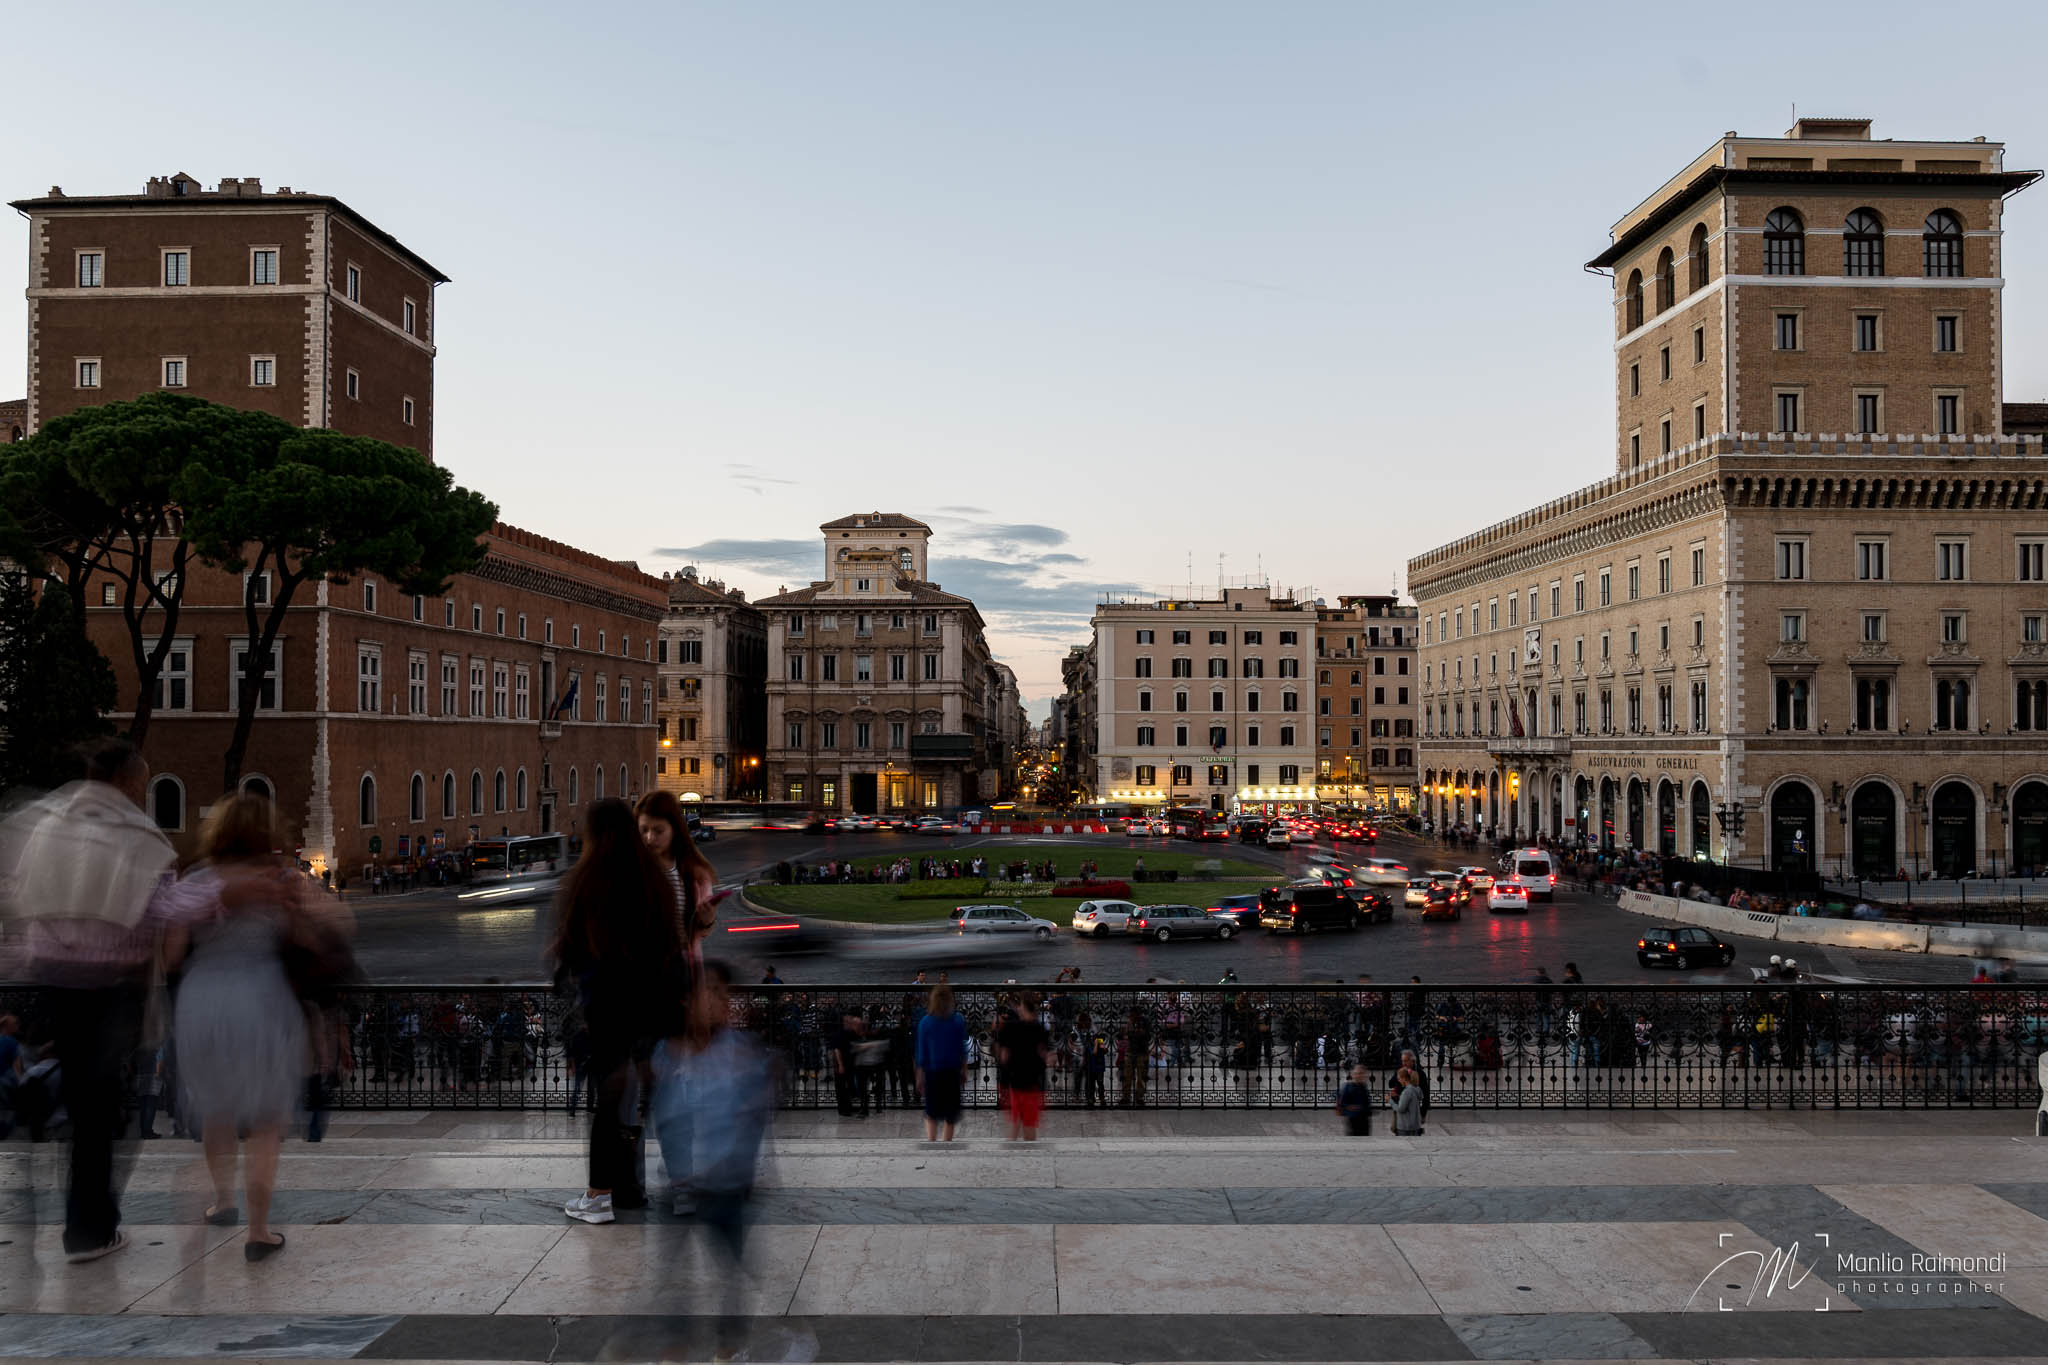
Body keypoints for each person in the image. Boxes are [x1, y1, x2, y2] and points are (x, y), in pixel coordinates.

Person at [0, 739, 179, 1263]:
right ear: (127, 782)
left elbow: (18, 891)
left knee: (87, 1106)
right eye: (142, 785)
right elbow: (157, 911)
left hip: (53, 982)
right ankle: (89, 1229)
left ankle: (88, 1220)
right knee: (102, 1112)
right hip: (111, 988)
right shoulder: (136, 834)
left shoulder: (48, 820)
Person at [163, 793, 347, 1261]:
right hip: (260, 996)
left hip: (202, 999)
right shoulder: (282, 881)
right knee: (267, 1122)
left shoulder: (197, 881)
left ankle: (223, 1202)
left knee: (217, 1111)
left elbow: (170, 956)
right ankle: (259, 1231)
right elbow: (327, 931)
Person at [550, 798, 690, 1225]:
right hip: (653, 1008)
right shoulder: (656, 882)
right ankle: (676, 1189)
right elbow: (673, 950)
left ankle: (600, 1195)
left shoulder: (588, 882)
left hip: (608, 1010)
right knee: (660, 1100)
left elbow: (571, 954)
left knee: (611, 1105)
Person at [649, 960, 775, 1364]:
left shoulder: (741, 1052)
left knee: (731, 1277)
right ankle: (676, 1350)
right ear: (687, 1000)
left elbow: (753, 1117)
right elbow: (665, 1121)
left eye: (726, 993)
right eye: (712, 992)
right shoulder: (668, 1054)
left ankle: (728, 1349)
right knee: (675, 1283)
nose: (722, 1001)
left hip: (726, 1186)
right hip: (682, 1188)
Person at [637, 791, 719, 962]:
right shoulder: (629, 870)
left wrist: (708, 920)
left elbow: (700, 932)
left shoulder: (695, 874)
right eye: (644, 830)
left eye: (658, 831)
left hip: (682, 973)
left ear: (675, 829)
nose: (650, 838)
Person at [914, 983, 969, 1140]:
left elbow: (921, 1053)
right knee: (950, 1116)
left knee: (931, 1113)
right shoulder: (958, 1020)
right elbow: (962, 1048)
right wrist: (964, 1070)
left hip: (933, 1073)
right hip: (952, 1072)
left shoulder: (925, 1022)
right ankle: (946, 1145)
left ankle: (932, 1144)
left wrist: (919, 1077)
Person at [995, 991, 1052, 1140]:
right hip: (1033, 1083)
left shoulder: (1010, 1028)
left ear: (1023, 1007)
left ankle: (1011, 1158)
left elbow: (1003, 1057)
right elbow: (1046, 1058)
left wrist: (1002, 1083)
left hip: (1015, 1082)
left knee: (1015, 1124)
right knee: (1029, 1126)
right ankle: (1029, 1156)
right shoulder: (1040, 1030)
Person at [1336, 1064, 1374, 1136]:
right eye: (1357, 1073)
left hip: (1364, 1119)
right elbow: (1342, 1103)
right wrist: (1350, 1107)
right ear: (1353, 1074)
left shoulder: (1363, 1086)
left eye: (1361, 1074)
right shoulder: (1348, 1087)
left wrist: (1368, 1111)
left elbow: (1366, 1102)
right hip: (1353, 1119)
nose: (1359, 1076)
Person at [1391, 1067, 1425, 1135]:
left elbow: (1400, 1109)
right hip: (1415, 1126)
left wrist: (1390, 1101)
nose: (1399, 1081)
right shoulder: (1416, 1089)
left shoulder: (1407, 1092)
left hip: (1405, 1127)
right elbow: (1410, 1103)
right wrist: (1399, 1097)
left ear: (1404, 1078)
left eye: (1399, 1078)